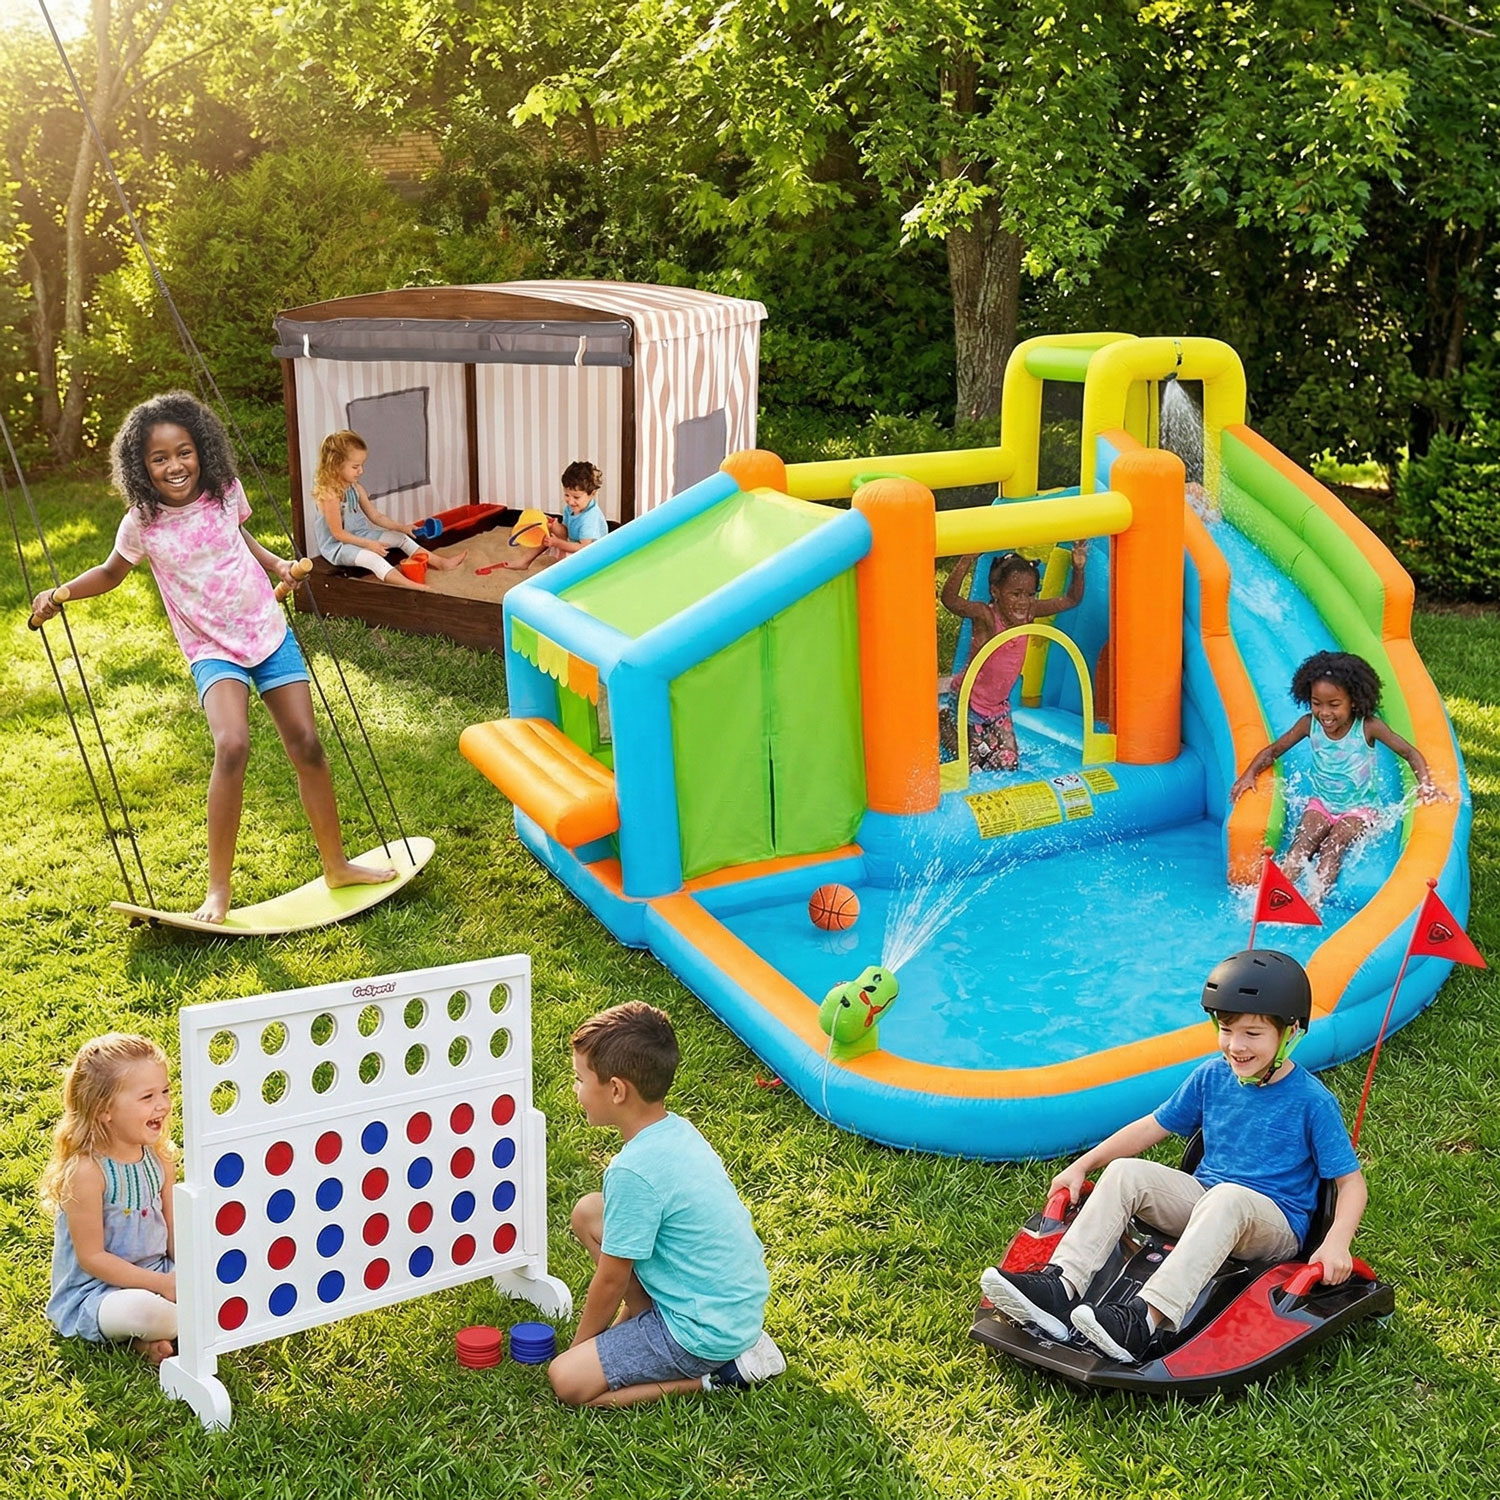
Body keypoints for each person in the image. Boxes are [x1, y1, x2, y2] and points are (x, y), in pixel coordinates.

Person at [28, 392, 395, 923]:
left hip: (265, 631)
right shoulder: (142, 522)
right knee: (232, 744)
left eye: (183, 452)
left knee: (309, 744)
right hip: (210, 646)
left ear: (201, 450)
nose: (174, 466)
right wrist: (59, 595)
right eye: (159, 458)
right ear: (141, 465)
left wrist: (278, 566)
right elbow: (110, 572)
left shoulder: (226, 493)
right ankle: (218, 890)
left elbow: (240, 538)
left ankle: (336, 865)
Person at [980, 949, 1367, 1365]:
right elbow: (1150, 1126)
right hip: (1208, 1199)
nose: (1236, 1046)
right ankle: (1060, 1286)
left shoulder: (1312, 1102)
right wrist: (1082, 1165)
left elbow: (1350, 1184)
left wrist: (1336, 1244)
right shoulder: (1212, 1076)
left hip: (1272, 1227)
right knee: (1127, 1172)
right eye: (1227, 1029)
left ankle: (1140, 1322)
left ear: (1290, 1033)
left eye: (1253, 1034)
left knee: (1228, 1198)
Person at [548, 1001, 785, 1408]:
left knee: (567, 1381)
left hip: (702, 1331)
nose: (576, 1090)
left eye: (581, 1079)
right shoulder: (678, 1131)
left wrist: (578, 1349)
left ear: (617, 1090)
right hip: (728, 1307)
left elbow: (611, 1279)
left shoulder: (633, 1171)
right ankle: (643, 1323)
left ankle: (721, 1376)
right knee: (590, 1212)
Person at [1230, 650, 1442, 901]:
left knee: (1333, 846)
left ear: (1353, 701)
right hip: (1321, 803)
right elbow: (1274, 750)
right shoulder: (1308, 725)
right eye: (1316, 703)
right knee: (1301, 845)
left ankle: (1313, 901)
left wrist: (1426, 784)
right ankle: (1276, 899)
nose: (1324, 713)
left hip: (1358, 809)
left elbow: (1409, 752)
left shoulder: (1368, 727)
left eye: (1334, 704)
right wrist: (1249, 774)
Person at [43, 1034, 178, 1366]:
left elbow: (174, 1224)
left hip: (161, 1273)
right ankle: (186, 1320)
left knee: (219, 1267)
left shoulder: (159, 1157)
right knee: (141, 1311)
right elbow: (93, 1258)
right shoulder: (88, 1172)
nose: (162, 1104)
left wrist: (186, 1273)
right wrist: (161, 1284)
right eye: (147, 1097)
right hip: (98, 1292)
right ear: (104, 1110)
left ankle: (155, 1336)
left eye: (165, 1091)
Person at [939, 542, 1089, 771]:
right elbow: (949, 600)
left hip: (998, 708)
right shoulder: (986, 616)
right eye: (1016, 594)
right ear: (995, 592)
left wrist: (1078, 567)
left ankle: (960, 730)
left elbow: (1071, 600)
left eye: (1030, 594)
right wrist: (966, 559)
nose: (1023, 601)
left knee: (1008, 765)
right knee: (972, 765)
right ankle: (945, 725)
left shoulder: (1030, 612)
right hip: (968, 703)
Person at [310, 430, 466, 587]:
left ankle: (441, 563)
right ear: (335, 465)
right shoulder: (330, 495)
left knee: (401, 538)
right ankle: (412, 585)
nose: (361, 471)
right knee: (373, 558)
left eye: (362, 465)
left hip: (360, 535)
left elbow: (376, 516)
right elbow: (338, 534)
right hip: (339, 546)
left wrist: (401, 527)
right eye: (355, 466)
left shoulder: (354, 488)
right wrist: (369, 544)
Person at [490, 462, 608, 571]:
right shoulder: (571, 508)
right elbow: (564, 533)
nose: (570, 501)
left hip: (591, 557)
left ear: (592, 494)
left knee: (560, 553)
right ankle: (524, 561)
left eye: (576, 497)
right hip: (574, 545)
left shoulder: (590, 518)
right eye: (567, 495)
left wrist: (557, 543)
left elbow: (584, 548)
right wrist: (555, 526)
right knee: (548, 533)